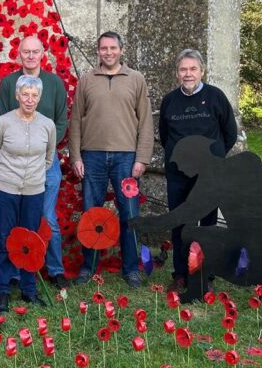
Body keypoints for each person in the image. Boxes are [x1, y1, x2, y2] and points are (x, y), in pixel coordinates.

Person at [69, 31, 154, 287]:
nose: (108, 52)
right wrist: (76, 156)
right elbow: (75, 121)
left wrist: (142, 158)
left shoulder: (136, 79)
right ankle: (88, 266)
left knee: (129, 214)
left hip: (126, 157)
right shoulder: (86, 80)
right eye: (103, 48)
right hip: (92, 156)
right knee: (91, 214)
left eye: (113, 48)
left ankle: (131, 269)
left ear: (121, 50)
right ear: (98, 51)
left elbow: (146, 121)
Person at [157, 48, 238, 292]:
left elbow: (230, 133)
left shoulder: (216, 97)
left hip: (208, 176)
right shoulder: (170, 101)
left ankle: (204, 274)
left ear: (202, 71)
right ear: (176, 73)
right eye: (183, 69)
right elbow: (164, 135)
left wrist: (213, 160)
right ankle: (180, 274)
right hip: (178, 175)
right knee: (180, 223)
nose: (188, 74)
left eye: (193, 69)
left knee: (207, 223)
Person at [0, 35, 70, 288]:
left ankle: (55, 269)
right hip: (15, 164)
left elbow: (61, 121)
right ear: (19, 54)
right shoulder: (8, 83)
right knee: (18, 220)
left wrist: (45, 150)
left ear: (43, 53)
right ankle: (17, 272)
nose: (30, 56)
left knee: (47, 217)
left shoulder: (55, 84)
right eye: (25, 52)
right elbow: (3, 121)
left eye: (35, 51)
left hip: (46, 161)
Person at [0, 75, 57, 313]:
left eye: (34, 95)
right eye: (25, 94)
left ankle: (29, 290)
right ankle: (3, 291)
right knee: (6, 237)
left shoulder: (47, 125)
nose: (30, 100)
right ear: (17, 95)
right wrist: (9, 175)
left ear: (40, 98)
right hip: (6, 188)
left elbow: (49, 158)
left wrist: (32, 176)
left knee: (31, 240)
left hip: (34, 190)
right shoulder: (4, 122)